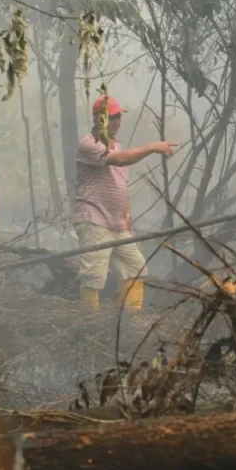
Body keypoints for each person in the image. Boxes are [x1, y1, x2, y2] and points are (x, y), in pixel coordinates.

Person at [72, 95, 176, 311]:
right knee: (94, 274)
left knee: (135, 266)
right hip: (94, 219)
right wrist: (153, 147)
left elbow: (120, 183)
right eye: (112, 117)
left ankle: (130, 322)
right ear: (98, 119)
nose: (117, 121)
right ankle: (86, 323)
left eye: (118, 116)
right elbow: (121, 160)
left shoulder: (117, 145)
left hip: (117, 224)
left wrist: (126, 214)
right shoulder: (89, 145)